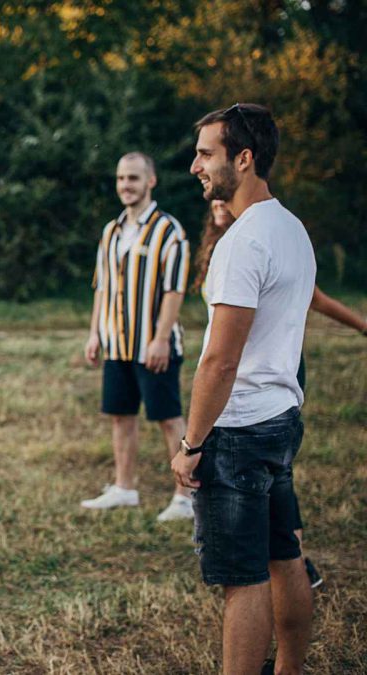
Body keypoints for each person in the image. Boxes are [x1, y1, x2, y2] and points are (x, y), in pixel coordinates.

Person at [173, 103, 315, 675]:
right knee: (286, 557)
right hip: (282, 416)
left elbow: (220, 361)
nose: (195, 166)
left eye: (206, 153)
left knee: (243, 578)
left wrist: (191, 443)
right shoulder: (292, 227)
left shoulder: (243, 241)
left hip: (240, 429)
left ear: (245, 158)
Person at [193, 198, 367, 590]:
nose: (218, 204)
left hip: (261, 382)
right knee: (272, 488)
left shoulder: (255, 241)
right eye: (214, 204)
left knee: (270, 492)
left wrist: (363, 326)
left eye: (223, 198)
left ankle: (293, 556)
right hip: (247, 383)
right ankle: (289, 556)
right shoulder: (228, 247)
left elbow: (315, 300)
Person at [81, 152, 193, 522]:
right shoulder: (110, 232)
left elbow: (174, 291)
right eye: (120, 179)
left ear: (151, 181)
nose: (125, 185)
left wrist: (161, 339)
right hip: (116, 343)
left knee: (168, 418)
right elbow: (101, 288)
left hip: (152, 345)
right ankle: (124, 487)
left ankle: (185, 497)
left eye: (133, 178)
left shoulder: (168, 230)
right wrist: (95, 332)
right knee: (120, 416)